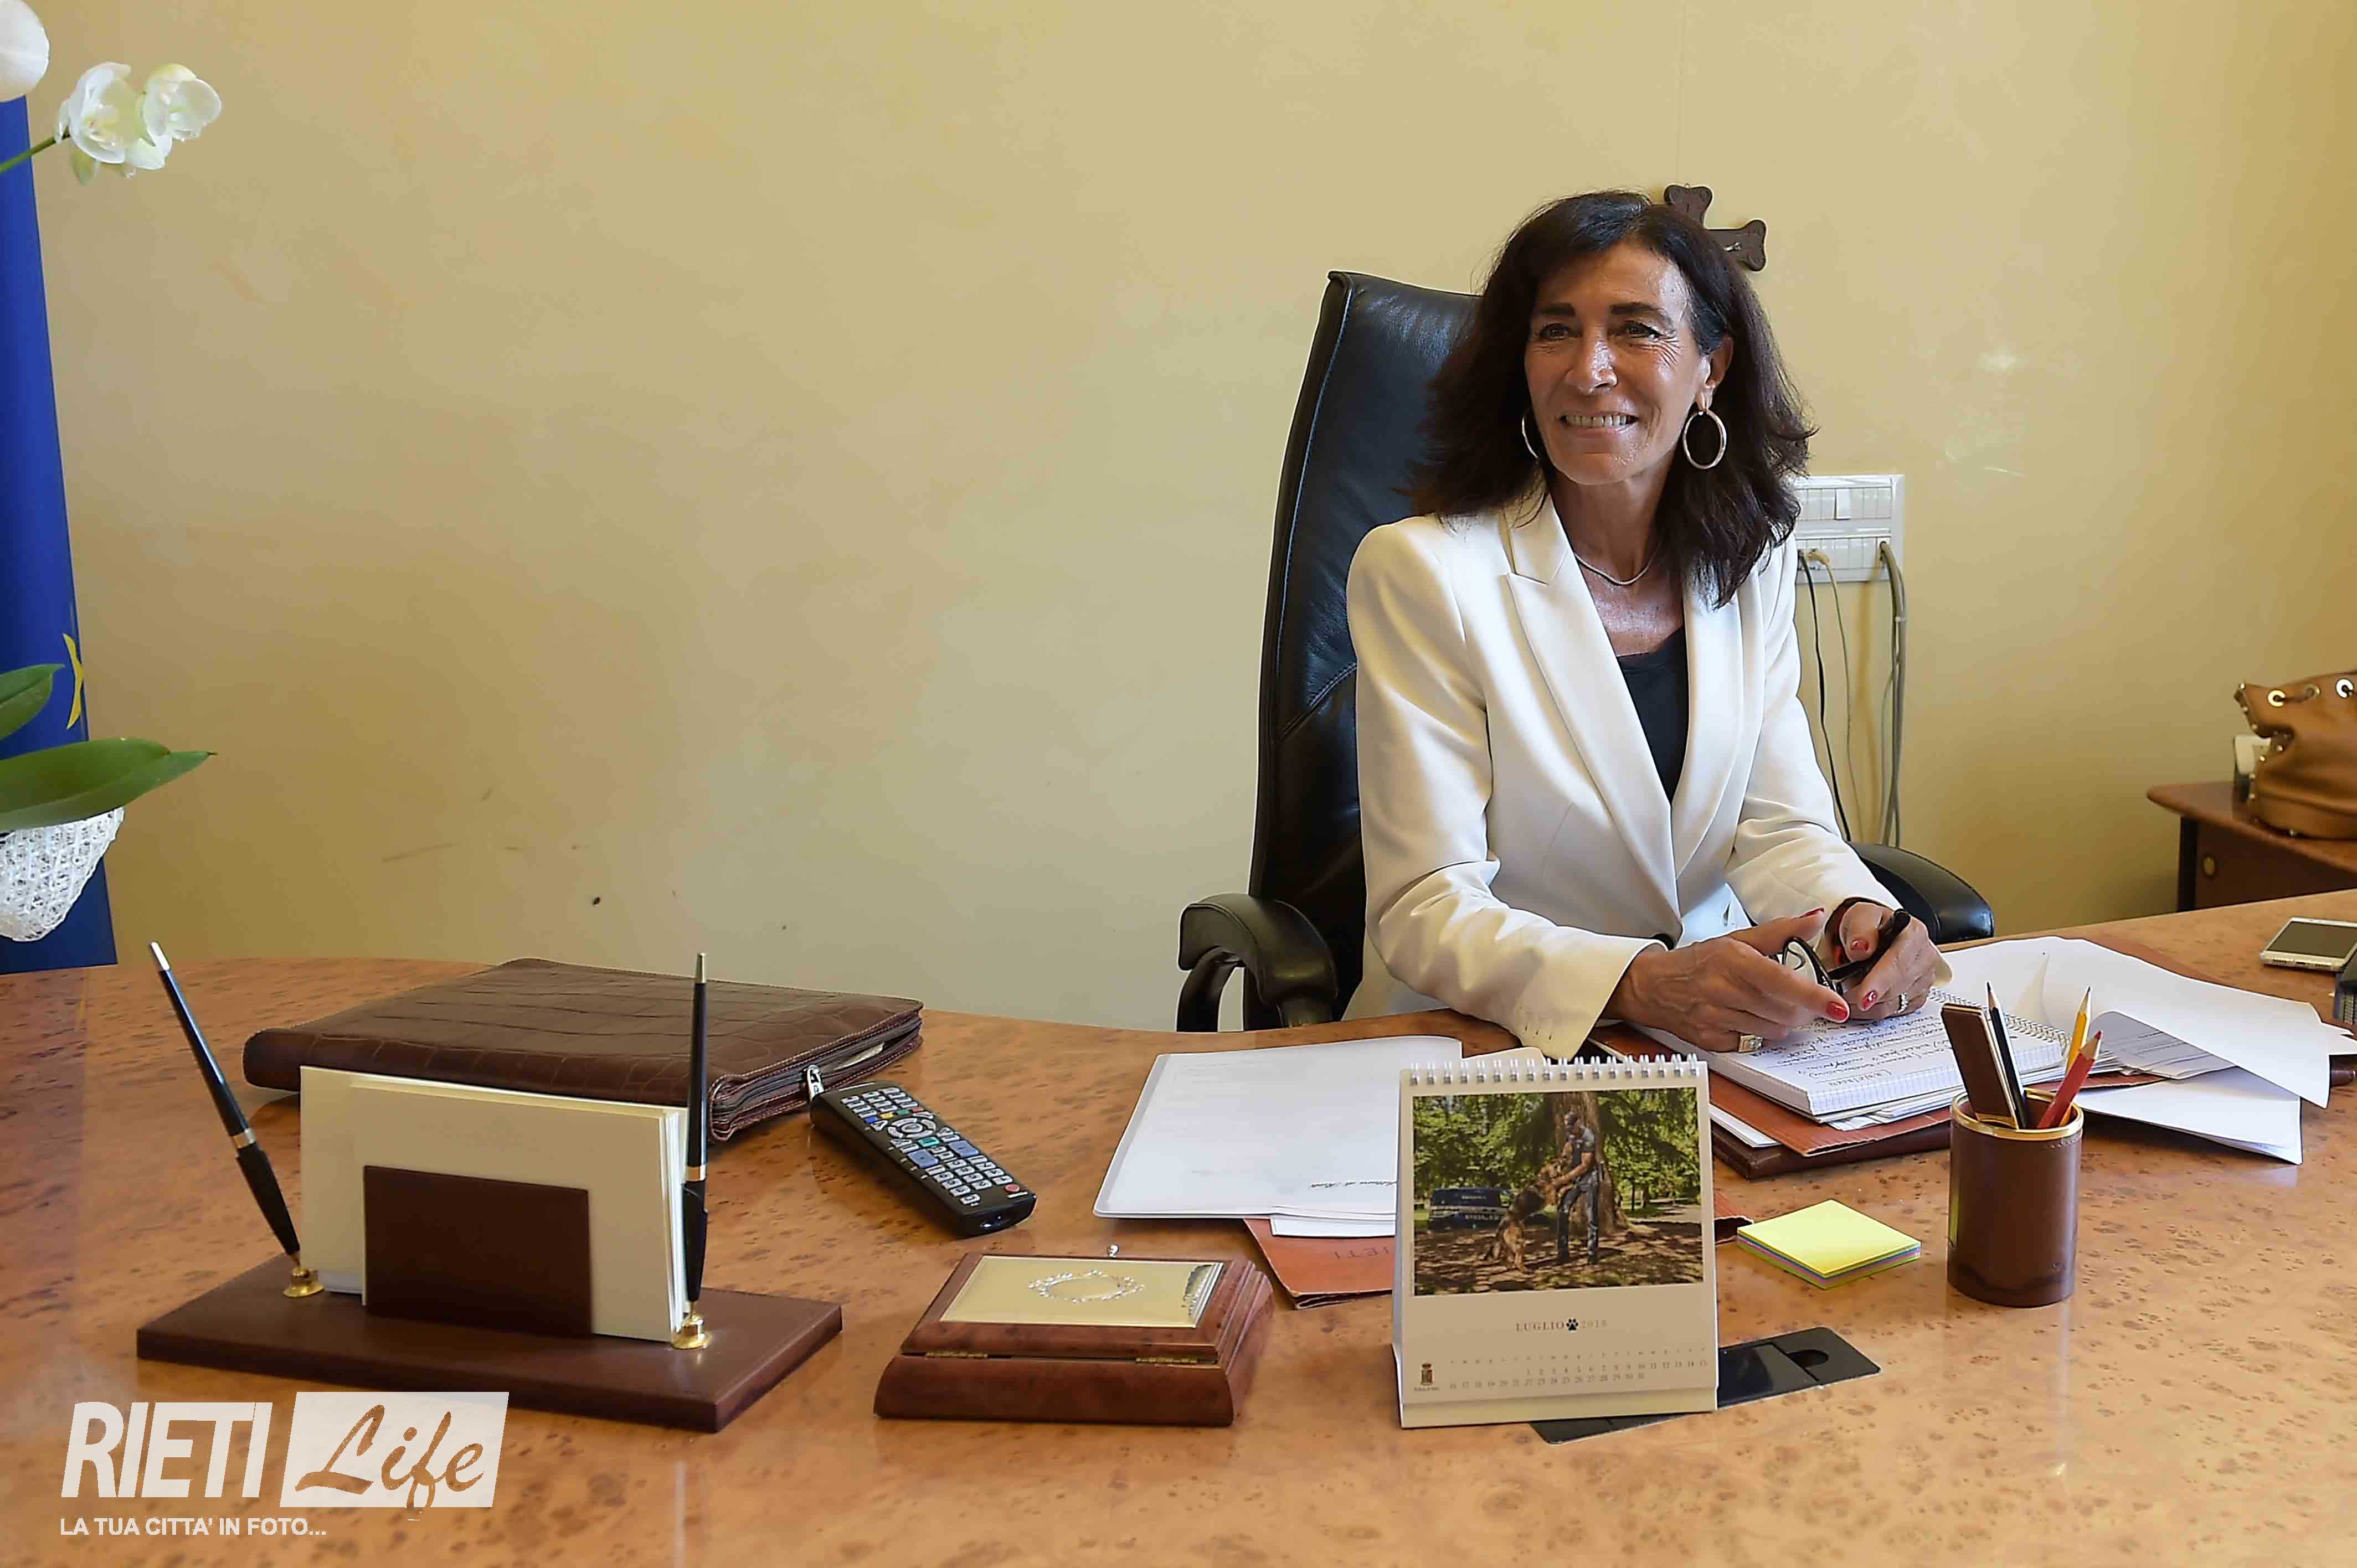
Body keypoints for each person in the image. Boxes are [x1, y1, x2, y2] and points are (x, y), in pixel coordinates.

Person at [1343, 190, 1948, 1054]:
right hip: (1483, 1044)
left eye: (1636, 330)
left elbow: (1777, 827)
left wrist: (1857, 922)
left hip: (1714, 1042)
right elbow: (1426, 905)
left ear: (1711, 369)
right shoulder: (1425, 572)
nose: (1589, 369)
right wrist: (1639, 982)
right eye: (1556, 331)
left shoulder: (1751, 559)